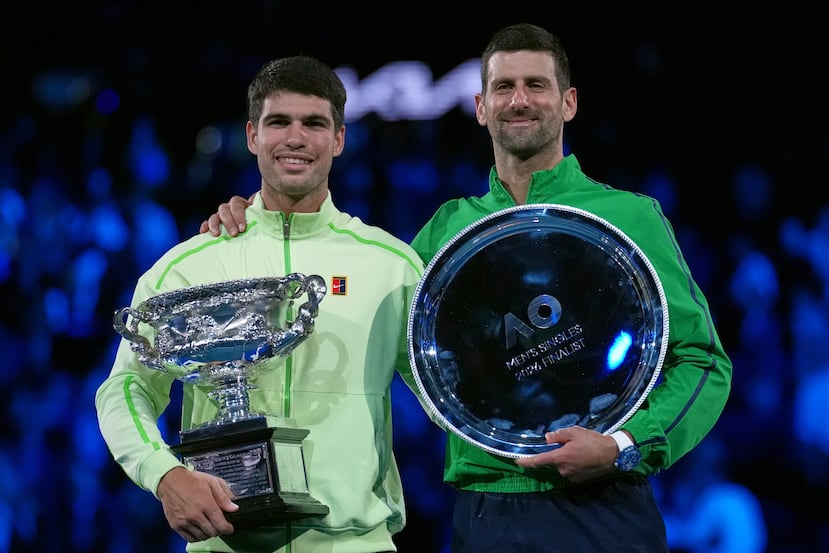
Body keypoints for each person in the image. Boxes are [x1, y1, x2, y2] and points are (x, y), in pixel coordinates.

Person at [201, 24, 733, 553]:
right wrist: (264, 218)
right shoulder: (447, 232)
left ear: (568, 103)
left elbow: (704, 362)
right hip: (485, 513)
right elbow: (356, 298)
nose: (519, 100)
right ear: (480, 106)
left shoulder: (630, 217)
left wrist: (623, 444)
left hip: (606, 502)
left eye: (536, 86)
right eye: (503, 87)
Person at [96, 55, 426, 553]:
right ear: (253, 135)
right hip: (225, 544)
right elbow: (125, 388)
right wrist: (163, 473)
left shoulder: (392, 265)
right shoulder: (187, 266)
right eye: (278, 122)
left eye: (314, 124)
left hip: (356, 543)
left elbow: (449, 392)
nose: (295, 138)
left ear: (338, 139)